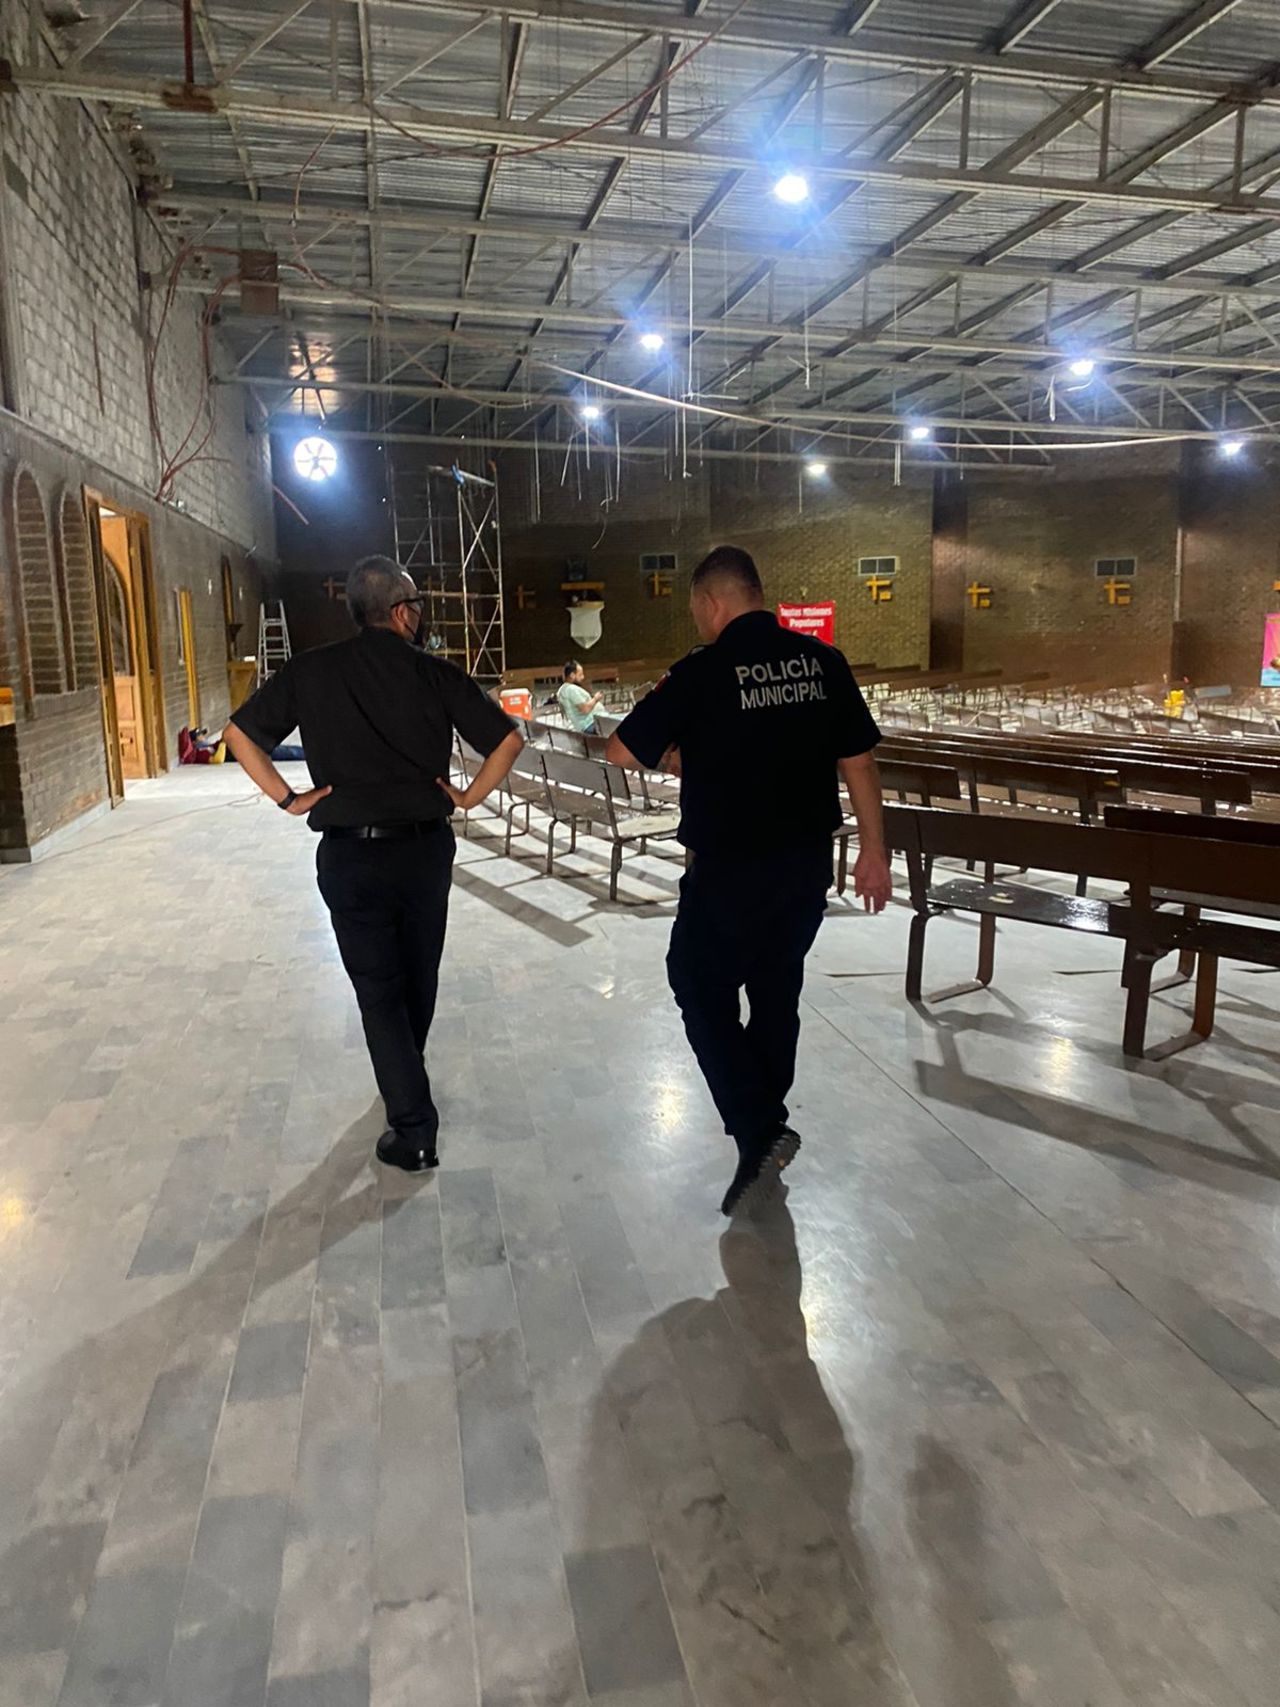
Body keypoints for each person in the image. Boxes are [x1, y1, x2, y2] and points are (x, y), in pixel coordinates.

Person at [606, 545, 891, 1216]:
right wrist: (874, 851)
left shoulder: (700, 672)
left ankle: (758, 1128)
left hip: (730, 871)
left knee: (696, 983)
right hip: (804, 868)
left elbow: (621, 748)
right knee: (775, 991)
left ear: (712, 603)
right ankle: (764, 1130)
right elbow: (859, 763)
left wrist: (680, 754)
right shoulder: (822, 662)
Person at [223, 556, 522, 1173]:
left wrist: (289, 800)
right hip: (423, 851)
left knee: (379, 992)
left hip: (350, 857)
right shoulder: (434, 673)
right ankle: (409, 1093)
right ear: (403, 612)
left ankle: (412, 1122)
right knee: (418, 976)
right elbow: (508, 739)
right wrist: (468, 798)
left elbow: (238, 735)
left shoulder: (311, 671)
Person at [557, 661, 605, 733]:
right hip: (590, 725)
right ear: (572, 675)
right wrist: (596, 698)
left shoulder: (562, 689)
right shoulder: (571, 689)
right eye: (580, 674)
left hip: (588, 724)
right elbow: (585, 709)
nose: (583, 677)